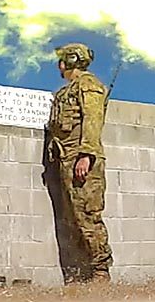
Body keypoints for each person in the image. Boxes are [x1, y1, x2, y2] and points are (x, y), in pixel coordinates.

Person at [46, 43, 113, 282]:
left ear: (70, 60)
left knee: (87, 216)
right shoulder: (65, 91)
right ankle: (79, 275)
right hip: (65, 160)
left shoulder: (88, 84)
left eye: (62, 59)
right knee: (71, 219)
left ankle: (99, 272)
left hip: (80, 159)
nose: (59, 64)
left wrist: (86, 155)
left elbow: (93, 120)